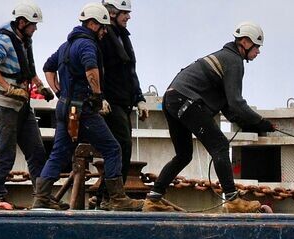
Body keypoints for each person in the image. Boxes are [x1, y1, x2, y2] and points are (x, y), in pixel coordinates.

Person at [144, 21, 276, 214]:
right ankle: (233, 201)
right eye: (257, 47)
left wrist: (251, 125)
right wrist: (260, 122)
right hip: (186, 100)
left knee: (183, 155)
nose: (258, 52)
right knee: (220, 146)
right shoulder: (233, 60)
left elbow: (229, 108)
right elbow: (237, 103)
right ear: (246, 43)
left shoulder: (224, 58)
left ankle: (153, 199)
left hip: (172, 99)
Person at [32, 2, 139, 211]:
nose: (104, 32)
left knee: (59, 152)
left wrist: (58, 92)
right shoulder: (87, 45)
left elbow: (48, 67)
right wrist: (98, 96)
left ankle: (41, 197)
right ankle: (116, 198)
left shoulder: (66, 46)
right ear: (92, 24)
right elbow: (91, 70)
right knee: (113, 148)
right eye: (102, 27)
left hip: (65, 108)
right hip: (83, 110)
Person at [0, 2, 54, 210]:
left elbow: (27, 69)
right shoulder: (4, 41)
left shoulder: (24, 42)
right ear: (22, 23)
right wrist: (7, 88)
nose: (35, 29)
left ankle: (42, 197)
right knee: (5, 152)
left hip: (23, 105)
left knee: (36, 151)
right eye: (33, 24)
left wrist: (40, 86)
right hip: (6, 106)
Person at [99, 0, 146, 181]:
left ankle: (110, 194)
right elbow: (96, 69)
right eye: (124, 12)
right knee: (120, 147)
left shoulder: (123, 37)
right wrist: (101, 98)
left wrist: (139, 98)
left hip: (123, 102)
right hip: (111, 102)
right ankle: (111, 195)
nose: (128, 16)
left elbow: (130, 71)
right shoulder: (103, 38)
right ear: (112, 13)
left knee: (122, 148)